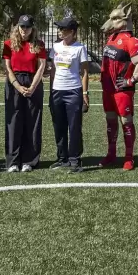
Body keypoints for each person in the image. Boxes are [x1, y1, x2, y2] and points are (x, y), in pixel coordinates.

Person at [99, 4, 138, 171]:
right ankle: (111, 154)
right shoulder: (111, 38)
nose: (109, 23)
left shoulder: (132, 41)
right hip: (108, 90)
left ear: (126, 18)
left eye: (115, 19)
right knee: (110, 121)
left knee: (126, 122)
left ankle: (129, 158)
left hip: (122, 91)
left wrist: (131, 81)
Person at [3, 15, 47, 172]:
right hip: (14, 82)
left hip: (33, 81)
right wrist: (17, 86)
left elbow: (42, 67)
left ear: (32, 28)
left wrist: (33, 86)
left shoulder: (39, 45)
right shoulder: (8, 44)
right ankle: (13, 161)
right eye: (22, 26)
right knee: (14, 121)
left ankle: (30, 160)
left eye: (27, 27)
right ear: (18, 27)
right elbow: (7, 68)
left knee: (32, 122)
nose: (24, 30)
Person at [47, 17, 89, 173]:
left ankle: (75, 160)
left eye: (63, 29)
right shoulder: (55, 47)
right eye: (60, 29)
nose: (60, 32)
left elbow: (84, 72)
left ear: (72, 32)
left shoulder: (80, 48)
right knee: (59, 126)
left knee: (74, 127)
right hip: (57, 91)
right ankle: (62, 158)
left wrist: (85, 93)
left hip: (73, 91)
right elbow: (53, 70)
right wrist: (51, 90)